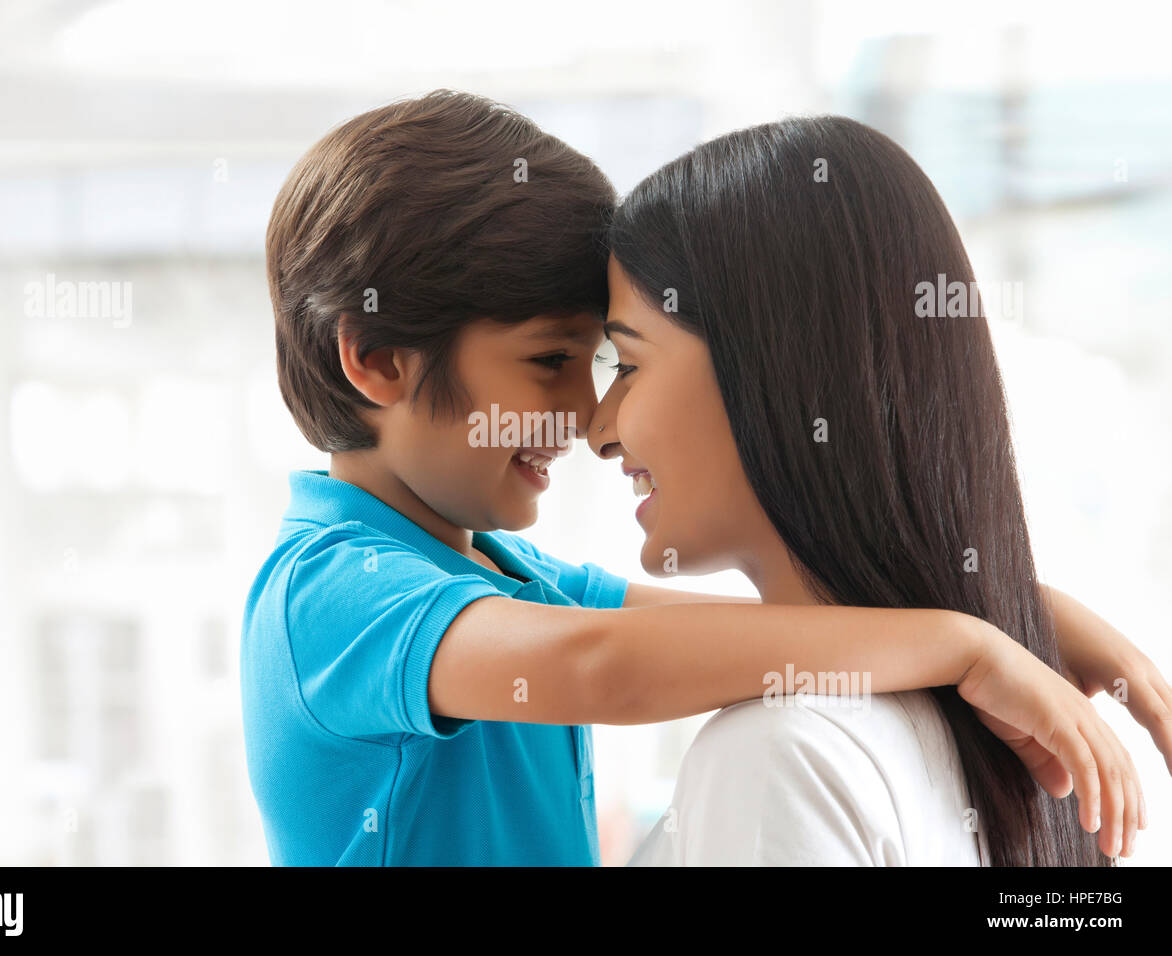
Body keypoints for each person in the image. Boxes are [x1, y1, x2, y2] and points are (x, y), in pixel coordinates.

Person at [242, 91, 1158, 866]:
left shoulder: (512, 581)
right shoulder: (326, 591)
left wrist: (1011, 610)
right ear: (377, 361)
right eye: (550, 359)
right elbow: (602, 669)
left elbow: (779, 635)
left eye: (607, 362)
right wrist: (966, 646)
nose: (584, 416)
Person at [591, 115, 1151, 865]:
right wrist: (986, 624)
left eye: (626, 366)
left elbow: (584, 649)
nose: (599, 431)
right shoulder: (992, 737)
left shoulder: (780, 755)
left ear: (774, 370)